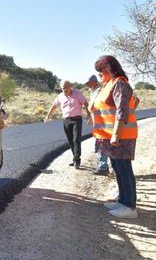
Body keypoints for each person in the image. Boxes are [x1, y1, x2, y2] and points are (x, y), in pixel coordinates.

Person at [93, 55, 138, 218]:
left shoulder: (119, 83)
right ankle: (122, 199)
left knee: (124, 169)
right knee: (118, 168)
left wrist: (116, 135)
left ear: (108, 69)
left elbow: (122, 112)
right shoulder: (109, 84)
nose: (99, 75)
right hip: (111, 136)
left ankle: (130, 207)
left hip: (121, 136)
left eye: (100, 72)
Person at [44, 80, 91, 169]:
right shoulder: (60, 96)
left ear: (70, 86)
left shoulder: (77, 94)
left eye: (66, 87)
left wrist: (89, 115)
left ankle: (77, 159)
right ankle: (74, 158)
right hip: (66, 120)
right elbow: (54, 106)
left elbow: (85, 103)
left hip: (77, 119)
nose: (64, 90)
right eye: (63, 88)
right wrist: (47, 116)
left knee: (76, 139)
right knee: (70, 140)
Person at [85, 75, 109, 175]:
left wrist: (90, 112)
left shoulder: (99, 90)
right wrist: (90, 116)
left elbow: (93, 105)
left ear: (94, 82)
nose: (87, 85)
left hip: (103, 122)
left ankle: (103, 167)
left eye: (88, 83)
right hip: (98, 121)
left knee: (102, 144)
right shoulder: (93, 91)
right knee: (101, 143)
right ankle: (103, 166)